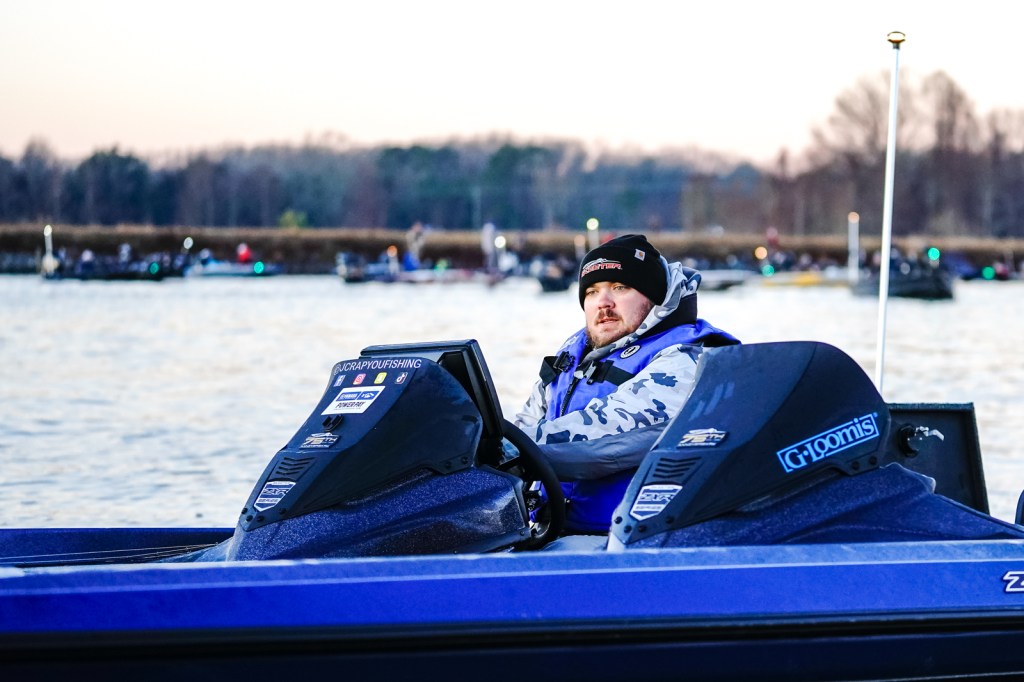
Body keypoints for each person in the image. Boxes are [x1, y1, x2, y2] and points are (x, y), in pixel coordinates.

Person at [514, 234, 740, 536]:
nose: (603, 303)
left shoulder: (688, 358)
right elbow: (525, 422)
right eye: (592, 291)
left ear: (653, 296)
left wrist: (495, 447)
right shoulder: (574, 352)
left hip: (636, 541)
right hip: (552, 533)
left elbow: (599, 442)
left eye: (620, 287)